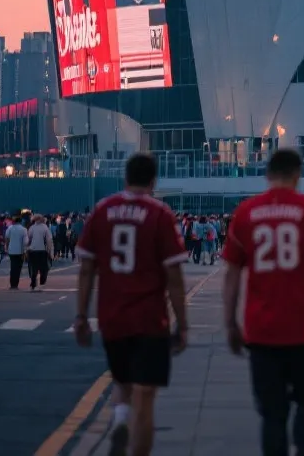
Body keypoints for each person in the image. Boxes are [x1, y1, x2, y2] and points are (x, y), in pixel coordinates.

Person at [222, 148, 304, 456]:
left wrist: (230, 322)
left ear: (267, 175)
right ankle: (303, 449)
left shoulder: (246, 213)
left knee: (271, 412)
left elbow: (232, 275)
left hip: (261, 330)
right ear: (297, 174)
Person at [75, 153, 188, 456]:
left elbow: (87, 269)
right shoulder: (161, 215)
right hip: (150, 319)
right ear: (153, 181)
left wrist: (81, 316)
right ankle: (133, 437)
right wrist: (183, 324)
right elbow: (175, 277)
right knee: (145, 395)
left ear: (125, 178)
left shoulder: (102, 211)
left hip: (112, 317)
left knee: (122, 381)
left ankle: (121, 419)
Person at [27, 214, 54, 291]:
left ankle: (33, 284)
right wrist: (50, 252)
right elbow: (49, 241)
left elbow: (28, 240)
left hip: (32, 251)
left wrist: (27, 248)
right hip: (42, 251)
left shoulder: (31, 228)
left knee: (34, 268)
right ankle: (42, 283)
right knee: (44, 269)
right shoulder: (45, 228)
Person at [5, 216, 29, 289]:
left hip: (11, 250)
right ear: (21, 221)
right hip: (20, 251)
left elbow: (7, 238)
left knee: (13, 267)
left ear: (14, 221)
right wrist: (25, 251)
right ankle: (16, 284)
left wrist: (7, 247)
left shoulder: (10, 228)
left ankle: (12, 284)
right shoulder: (24, 229)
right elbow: (25, 242)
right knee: (18, 268)